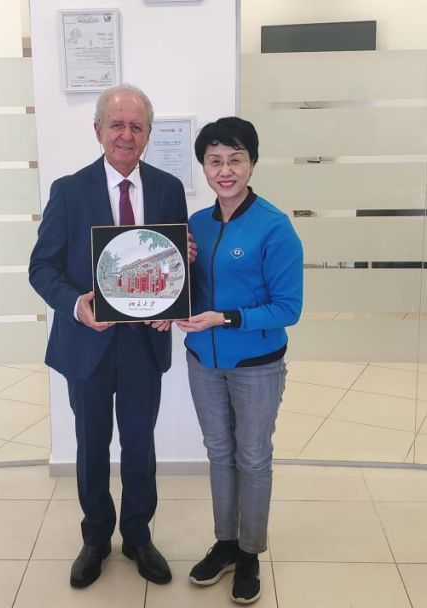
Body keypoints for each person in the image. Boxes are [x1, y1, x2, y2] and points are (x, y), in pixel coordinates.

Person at [28, 84, 190, 589]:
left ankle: (138, 536)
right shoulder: (69, 191)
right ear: (97, 130)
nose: (126, 134)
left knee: (140, 445)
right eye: (116, 124)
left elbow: (175, 264)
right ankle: (96, 537)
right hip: (87, 345)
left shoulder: (168, 189)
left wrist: (175, 295)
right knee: (91, 446)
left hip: (144, 345)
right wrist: (76, 305)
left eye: (136, 126)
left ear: (148, 134)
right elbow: (42, 267)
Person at [175, 117, 303, 604]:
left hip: (257, 366)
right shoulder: (195, 225)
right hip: (202, 363)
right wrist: (172, 303)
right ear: (203, 167)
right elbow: (184, 288)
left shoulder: (275, 226)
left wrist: (225, 318)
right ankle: (225, 543)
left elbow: (288, 308)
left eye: (235, 159)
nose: (225, 170)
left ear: (252, 163)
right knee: (219, 453)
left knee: (252, 457)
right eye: (215, 161)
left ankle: (250, 552)